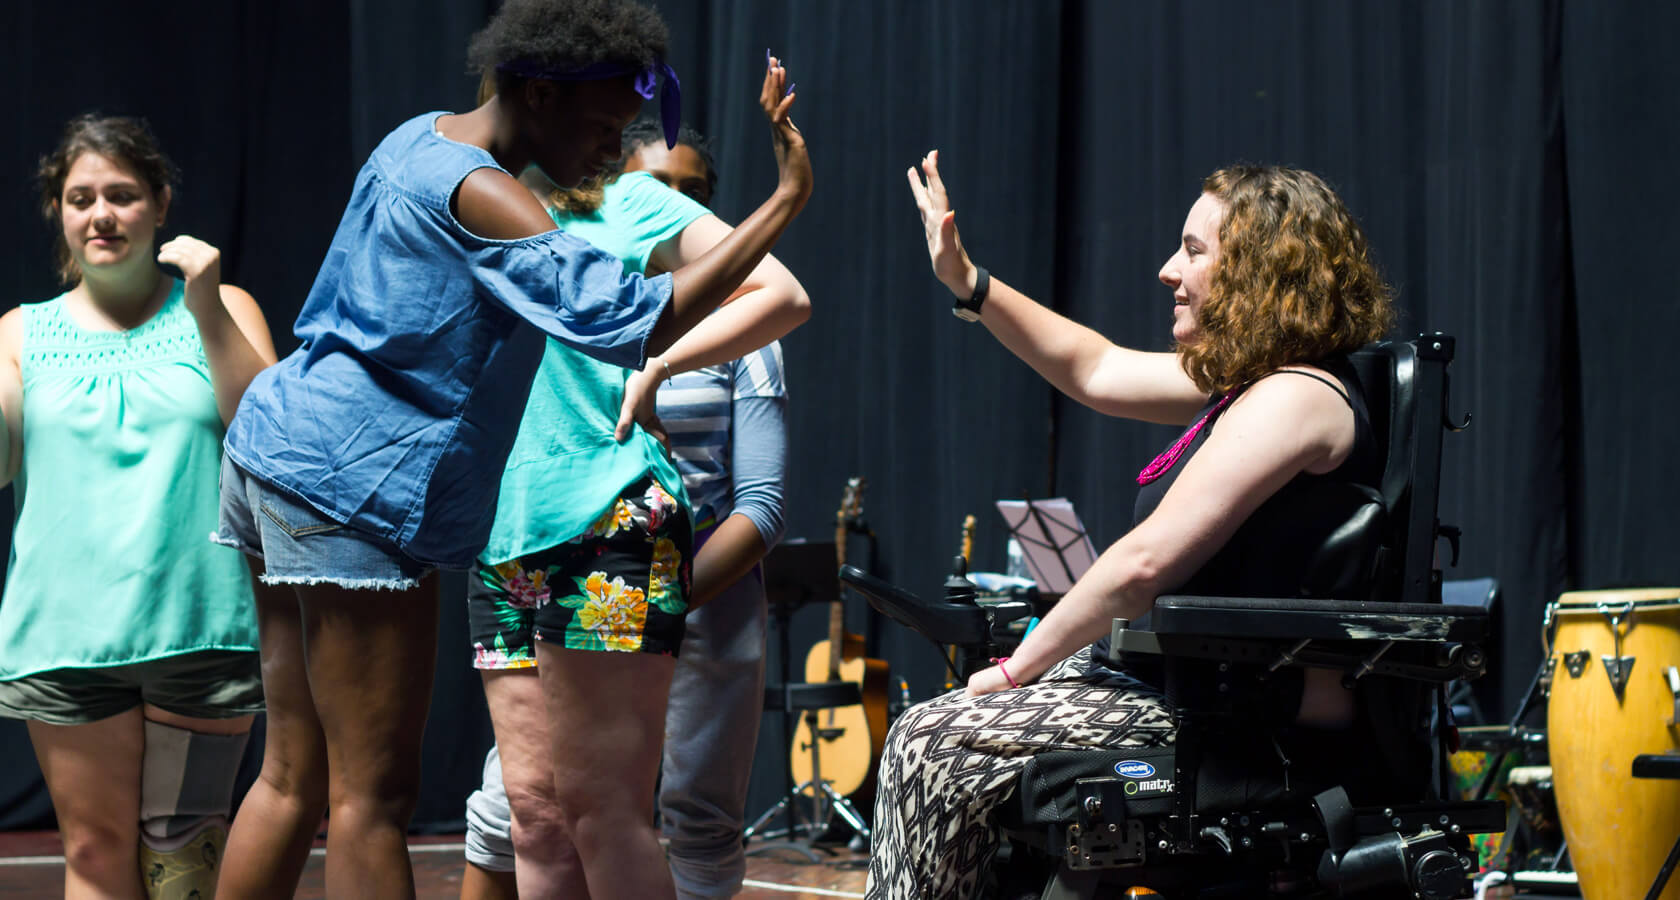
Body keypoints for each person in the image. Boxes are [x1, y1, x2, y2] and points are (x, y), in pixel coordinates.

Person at [208, 0, 812, 896]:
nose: (615, 151)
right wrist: (785, 202)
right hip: (355, 489)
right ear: (537, 92)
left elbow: (574, 282)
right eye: (604, 126)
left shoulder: (420, 139)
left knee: (292, 774)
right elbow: (629, 320)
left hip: (274, 449)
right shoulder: (493, 194)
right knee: (373, 796)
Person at [868, 154, 1394, 899]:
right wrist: (970, 284)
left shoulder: (1299, 397)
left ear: (1261, 270)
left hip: (1219, 708)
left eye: (1193, 249)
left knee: (929, 742)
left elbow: (1144, 563)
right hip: (1166, 682)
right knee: (930, 733)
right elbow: (1096, 368)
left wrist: (1017, 669)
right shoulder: (1256, 386)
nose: (1165, 270)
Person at [459, 118, 798, 900]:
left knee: (663, 814)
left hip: (646, 550)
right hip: (512, 534)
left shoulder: (644, 219)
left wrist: (664, 360)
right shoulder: (497, 213)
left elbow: (765, 503)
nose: (680, 208)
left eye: (694, 196)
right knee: (531, 813)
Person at [0, 114, 279, 900]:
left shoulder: (222, 306)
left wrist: (207, 307)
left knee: (184, 859)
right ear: (59, 209)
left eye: (121, 195)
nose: (101, 215)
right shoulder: (21, 333)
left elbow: (271, 436)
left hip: (198, 625)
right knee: (93, 855)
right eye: (80, 197)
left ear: (159, 203)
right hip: (64, 640)